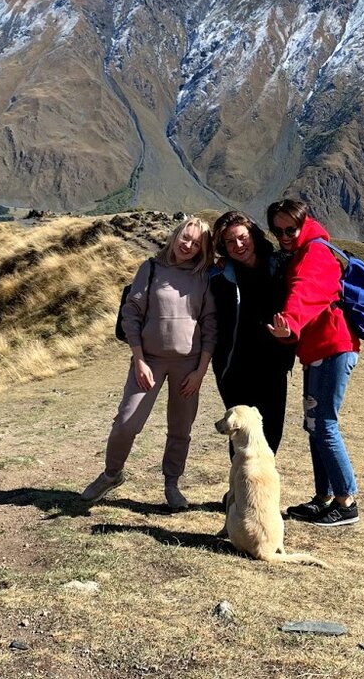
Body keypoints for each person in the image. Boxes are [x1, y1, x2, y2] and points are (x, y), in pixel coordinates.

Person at [82, 217, 216, 510]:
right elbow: (131, 313)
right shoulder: (151, 268)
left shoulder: (203, 276)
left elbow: (209, 325)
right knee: (126, 423)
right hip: (149, 361)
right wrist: (139, 360)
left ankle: (172, 484)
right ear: (176, 235)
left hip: (189, 365)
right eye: (185, 238)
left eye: (196, 243)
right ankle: (111, 474)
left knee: (180, 429)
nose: (188, 246)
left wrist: (200, 371)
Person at [267, 199, 362, 527]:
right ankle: (323, 497)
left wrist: (289, 322)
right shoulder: (303, 251)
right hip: (317, 350)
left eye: (289, 229)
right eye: (277, 231)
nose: (284, 236)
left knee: (324, 424)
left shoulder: (314, 253)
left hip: (333, 346)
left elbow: (304, 292)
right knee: (315, 426)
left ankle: (346, 501)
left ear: (303, 223)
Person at [209, 210, 295, 455]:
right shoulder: (220, 275)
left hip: (273, 362)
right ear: (223, 246)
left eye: (242, 237)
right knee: (241, 430)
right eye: (230, 241)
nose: (238, 245)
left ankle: (260, 487)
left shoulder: (279, 264)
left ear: (253, 235)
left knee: (271, 430)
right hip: (234, 366)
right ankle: (239, 490)